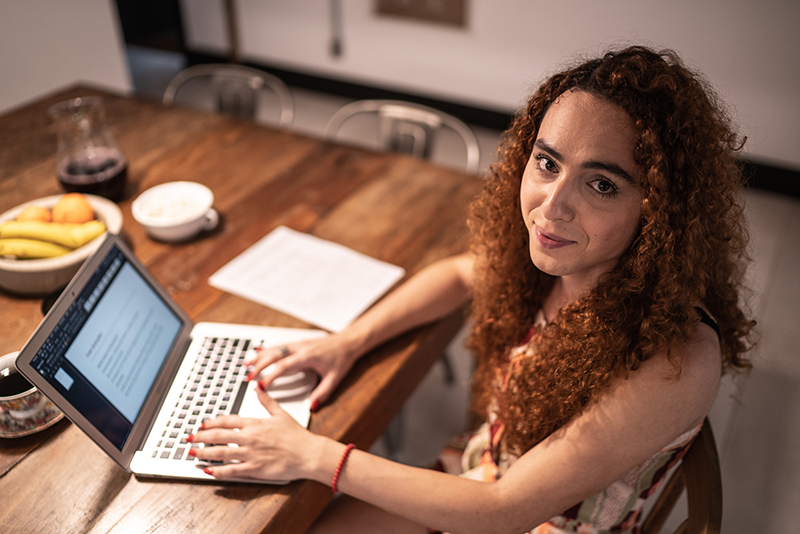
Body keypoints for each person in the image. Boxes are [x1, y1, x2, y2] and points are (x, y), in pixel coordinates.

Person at [188, 46, 755, 533]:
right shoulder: (556, 258)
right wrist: (349, 343)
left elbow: (504, 510)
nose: (552, 207)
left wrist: (315, 455)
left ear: (659, 212)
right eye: (547, 162)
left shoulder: (679, 355)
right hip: (482, 476)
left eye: (601, 184)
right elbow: (460, 273)